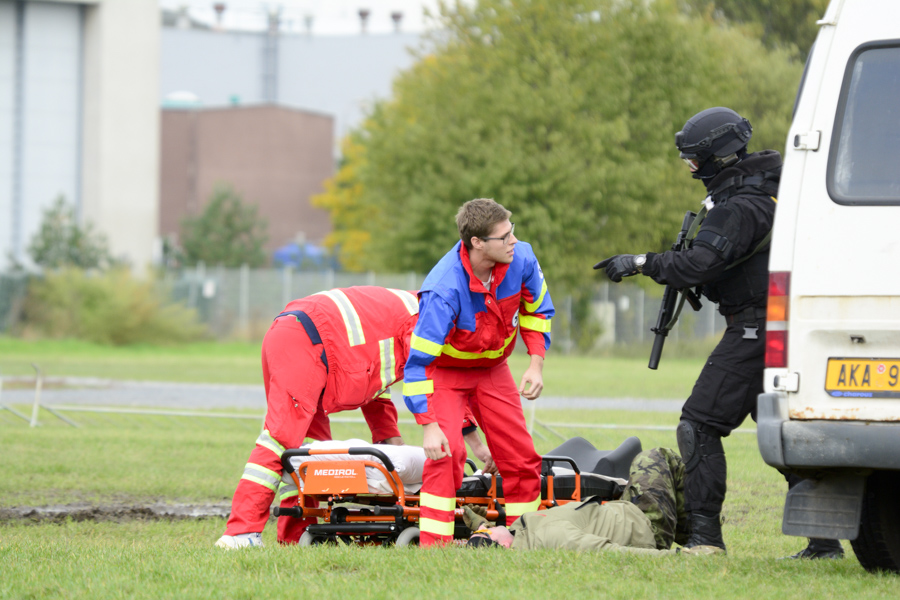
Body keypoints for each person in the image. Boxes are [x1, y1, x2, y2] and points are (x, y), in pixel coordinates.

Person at [594, 107, 781, 556]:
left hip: (755, 327)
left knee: (698, 424)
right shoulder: (762, 192)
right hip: (772, 325)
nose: (691, 169)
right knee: (781, 428)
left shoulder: (740, 206)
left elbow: (699, 263)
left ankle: (706, 538)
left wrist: (640, 262)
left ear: (720, 156)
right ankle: (823, 541)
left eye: (695, 160)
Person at [216, 286, 495, 549]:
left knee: (311, 456)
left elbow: (378, 378)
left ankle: (295, 534)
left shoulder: (418, 309)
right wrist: (477, 443)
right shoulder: (430, 321)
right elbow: (435, 383)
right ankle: (240, 533)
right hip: (310, 343)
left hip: (298, 335)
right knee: (280, 439)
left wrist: (389, 437)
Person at [402, 198, 555, 547]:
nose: (514, 240)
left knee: (520, 455)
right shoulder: (443, 288)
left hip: (493, 370)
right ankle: (435, 548)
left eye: (512, 231)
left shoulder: (522, 258)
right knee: (447, 454)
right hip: (446, 373)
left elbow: (537, 311)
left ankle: (525, 539)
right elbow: (418, 364)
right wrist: (428, 425)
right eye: (505, 236)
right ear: (478, 243)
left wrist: (536, 363)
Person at [465, 448, 691, 553]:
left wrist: (480, 524)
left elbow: (490, 536)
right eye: (487, 532)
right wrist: (681, 556)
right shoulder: (550, 538)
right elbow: (608, 551)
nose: (486, 528)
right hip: (645, 524)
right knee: (654, 458)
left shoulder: (520, 532)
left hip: (626, 510)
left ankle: (696, 530)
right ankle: (702, 533)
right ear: (505, 545)